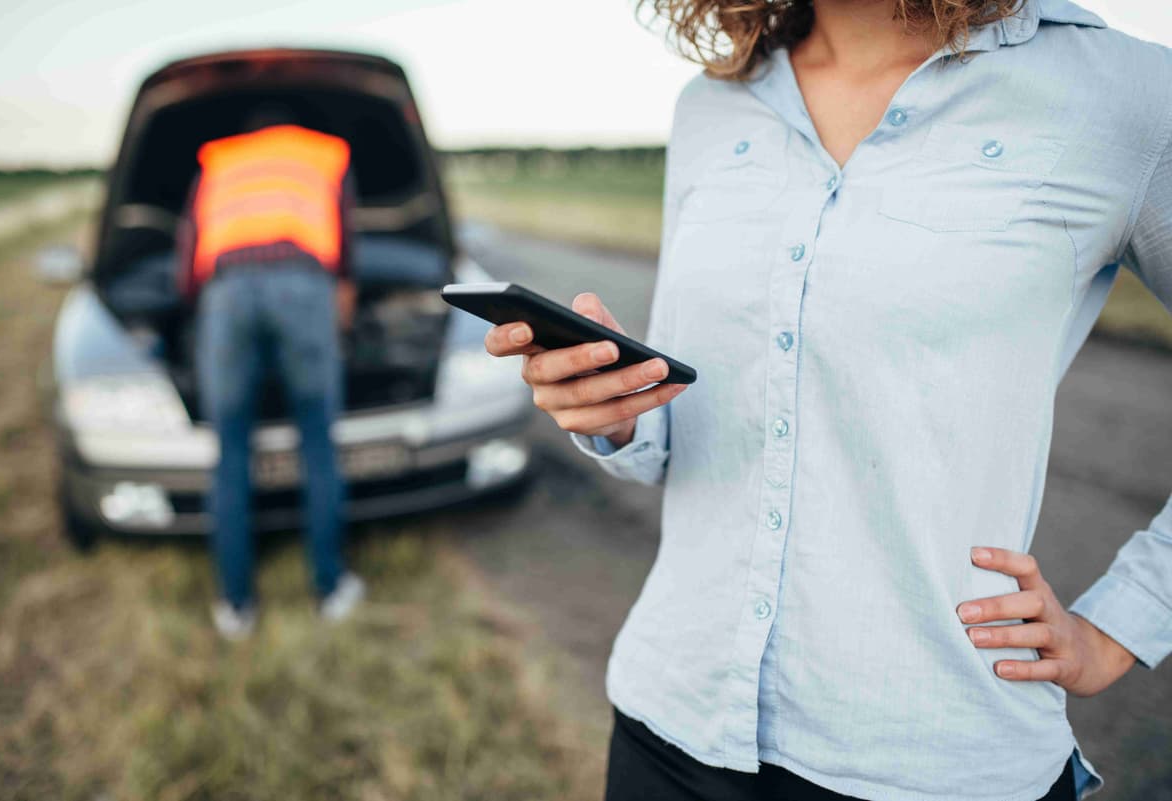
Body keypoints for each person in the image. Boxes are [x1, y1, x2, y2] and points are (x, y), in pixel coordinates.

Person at [483, 0, 1172, 798]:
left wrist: (1120, 624)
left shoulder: (1122, 94)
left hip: (929, 762)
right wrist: (614, 412)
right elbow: (676, 433)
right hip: (666, 725)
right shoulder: (712, 105)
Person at [179, 108, 364, 639]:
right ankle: (330, 588)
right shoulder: (324, 153)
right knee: (317, 443)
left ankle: (235, 604)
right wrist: (342, 300)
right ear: (292, 129)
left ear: (249, 132)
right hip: (304, 287)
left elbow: (189, 245)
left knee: (231, 449)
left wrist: (199, 309)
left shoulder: (220, 160)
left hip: (227, 291)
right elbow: (347, 239)